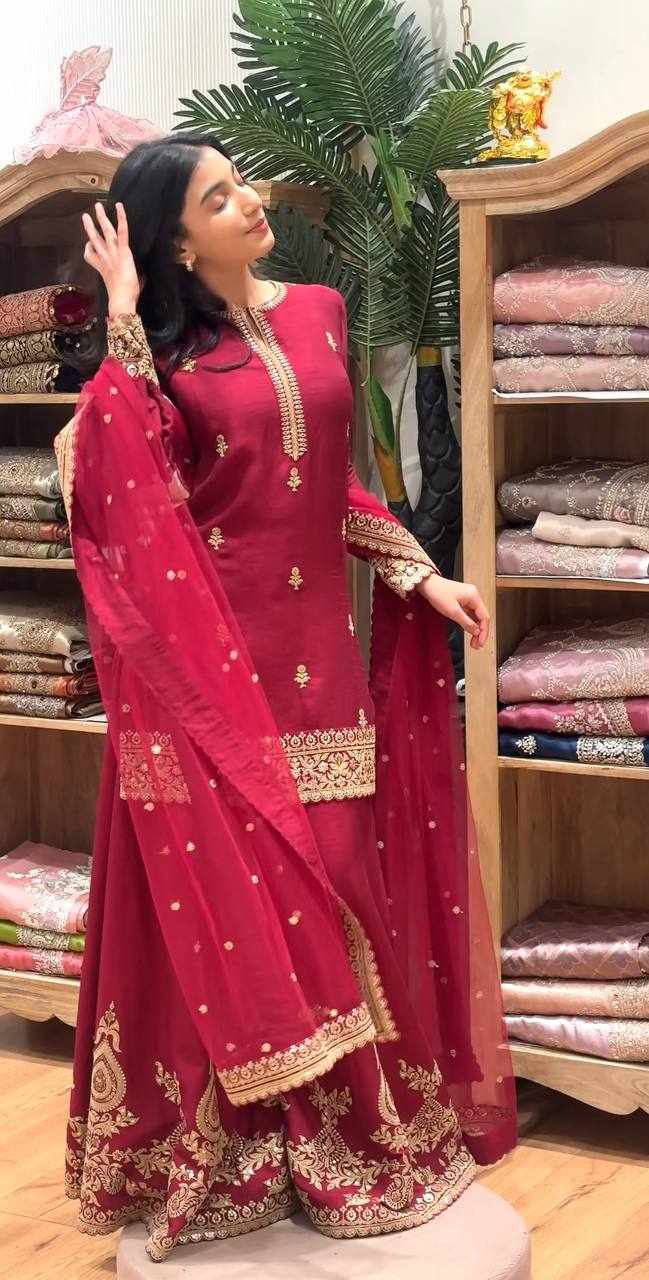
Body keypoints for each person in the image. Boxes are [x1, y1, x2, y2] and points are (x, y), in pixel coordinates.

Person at [56, 135, 516, 1264]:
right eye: (220, 197)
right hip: (209, 677)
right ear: (177, 241)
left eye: (242, 182)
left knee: (339, 881)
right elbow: (124, 479)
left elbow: (333, 484)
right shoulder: (163, 355)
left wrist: (417, 571)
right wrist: (124, 317)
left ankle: (350, 1134)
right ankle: (240, 1149)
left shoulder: (317, 311)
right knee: (234, 905)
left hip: (318, 665)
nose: (251, 201)